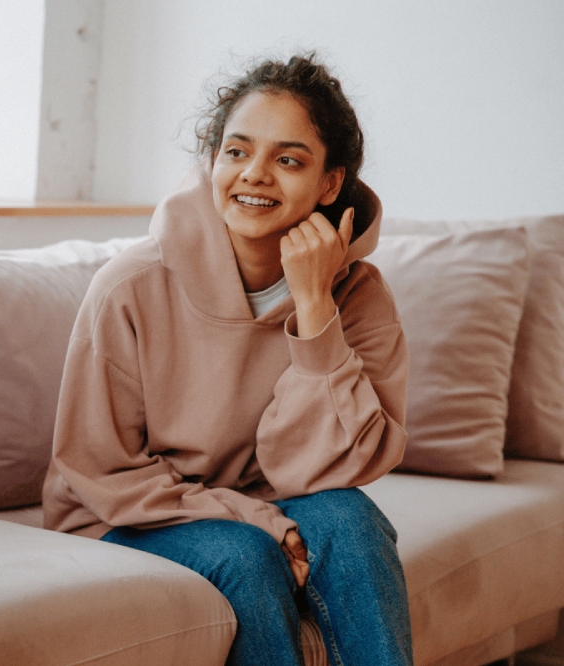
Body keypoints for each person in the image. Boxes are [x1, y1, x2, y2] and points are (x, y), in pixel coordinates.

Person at [43, 54, 413, 665]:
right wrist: (258, 519)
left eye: (288, 159)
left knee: (350, 519)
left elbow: (342, 468)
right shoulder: (129, 287)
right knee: (247, 555)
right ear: (211, 161)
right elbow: (100, 469)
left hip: (272, 500)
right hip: (125, 515)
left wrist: (315, 307)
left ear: (329, 183)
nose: (256, 175)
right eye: (237, 151)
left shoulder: (359, 295)